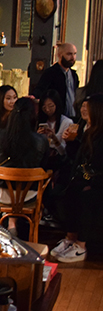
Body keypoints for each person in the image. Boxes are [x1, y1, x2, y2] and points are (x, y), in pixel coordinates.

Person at [0, 97, 49, 237]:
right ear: (33, 116)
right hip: (29, 195)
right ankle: (12, 224)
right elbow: (44, 167)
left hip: (0, 193)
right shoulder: (42, 141)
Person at [51, 95, 103, 262]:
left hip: (96, 182)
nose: (84, 110)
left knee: (85, 196)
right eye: (83, 106)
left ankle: (81, 246)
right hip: (82, 177)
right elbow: (75, 158)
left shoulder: (99, 134)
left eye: (88, 107)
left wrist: (91, 183)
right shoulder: (82, 128)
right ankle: (70, 238)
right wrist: (70, 142)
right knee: (65, 193)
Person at [32, 42, 79, 119]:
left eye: (74, 54)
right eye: (69, 54)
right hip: (57, 116)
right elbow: (41, 89)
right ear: (59, 55)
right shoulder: (51, 73)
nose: (72, 57)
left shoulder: (74, 75)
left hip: (72, 116)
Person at [37, 89, 73, 158]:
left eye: (51, 106)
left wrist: (54, 139)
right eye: (44, 107)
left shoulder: (66, 122)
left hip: (58, 159)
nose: (47, 109)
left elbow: (64, 152)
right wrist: (38, 137)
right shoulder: (40, 121)